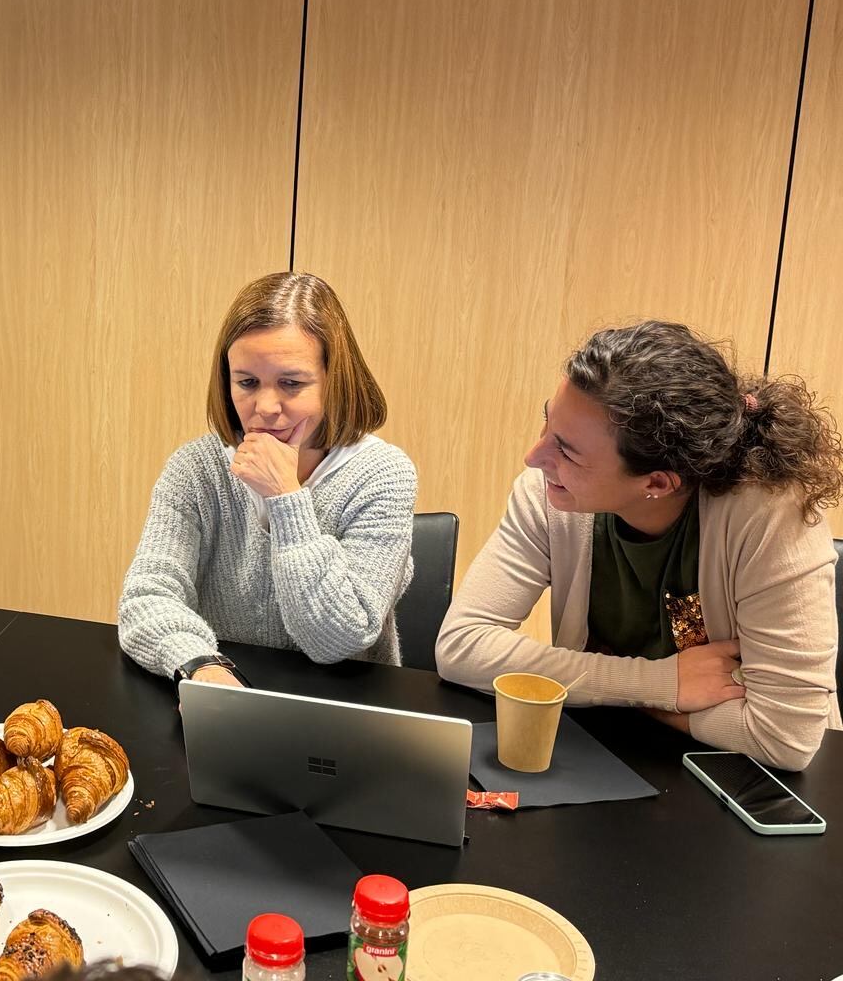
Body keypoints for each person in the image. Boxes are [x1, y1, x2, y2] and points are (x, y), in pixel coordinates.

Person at [436, 320, 842, 771]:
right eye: (547, 421)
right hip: (609, 764)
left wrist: (597, 689)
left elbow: (785, 738)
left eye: (567, 451)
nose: (534, 458)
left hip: (747, 787)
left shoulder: (772, 517)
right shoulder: (545, 496)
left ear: (657, 482)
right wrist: (661, 684)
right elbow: (462, 647)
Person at [118, 272, 417, 686]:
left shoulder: (384, 474)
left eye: (291, 384)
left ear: (335, 380)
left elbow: (339, 639)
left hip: (347, 712)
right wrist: (200, 664)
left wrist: (285, 499)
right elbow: (147, 596)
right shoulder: (196, 468)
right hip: (227, 696)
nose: (265, 407)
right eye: (247, 382)